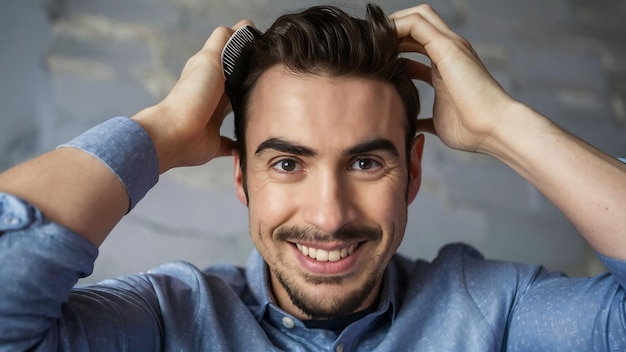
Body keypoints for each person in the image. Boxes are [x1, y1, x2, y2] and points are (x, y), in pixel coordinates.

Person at [0, 3, 624, 351]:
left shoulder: (499, 314)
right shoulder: (167, 321)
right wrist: (161, 133)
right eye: (287, 163)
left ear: (411, 173)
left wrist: (506, 127)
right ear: (242, 178)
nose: (328, 217)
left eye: (365, 162)